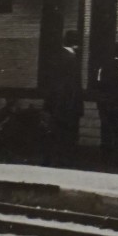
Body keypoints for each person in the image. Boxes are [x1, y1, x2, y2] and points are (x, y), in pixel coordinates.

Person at [42, 28, 84, 164]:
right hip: (68, 105)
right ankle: (65, 161)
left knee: (53, 133)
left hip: (55, 104)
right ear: (76, 43)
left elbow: (51, 83)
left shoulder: (56, 56)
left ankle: (50, 160)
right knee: (68, 135)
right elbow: (72, 86)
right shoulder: (72, 59)